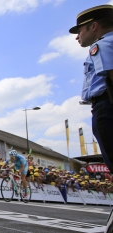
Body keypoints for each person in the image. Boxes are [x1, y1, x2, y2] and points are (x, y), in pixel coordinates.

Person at [69, 5, 113, 232]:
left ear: (94, 26)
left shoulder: (102, 45)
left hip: (107, 106)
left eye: (81, 30)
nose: (78, 36)